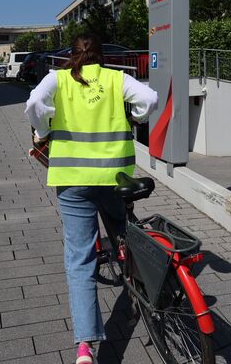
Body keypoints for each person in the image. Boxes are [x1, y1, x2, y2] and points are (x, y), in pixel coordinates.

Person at [25, 34, 158, 364]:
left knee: (80, 259)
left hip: (72, 181)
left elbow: (33, 105)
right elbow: (150, 99)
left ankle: (85, 347)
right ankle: (152, 281)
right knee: (123, 227)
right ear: (100, 56)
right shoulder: (116, 78)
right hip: (114, 176)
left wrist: (42, 130)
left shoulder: (57, 79)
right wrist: (137, 117)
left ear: (73, 56)